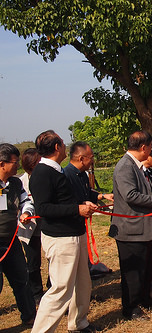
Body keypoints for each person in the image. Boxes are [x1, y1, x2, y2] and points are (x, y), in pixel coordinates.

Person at [29, 130, 97, 333]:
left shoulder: (56, 170)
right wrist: (77, 209)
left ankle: (78, 323)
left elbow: (63, 201)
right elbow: (44, 209)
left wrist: (81, 203)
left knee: (82, 283)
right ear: (57, 147)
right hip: (61, 238)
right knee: (60, 289)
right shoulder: (42, 173)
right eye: (63, 143)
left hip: (74, 234)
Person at [108, 131, 152, 320]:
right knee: (132, 272)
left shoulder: (137, 167)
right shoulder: (125, 167)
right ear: (144, 148)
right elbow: (131, 196)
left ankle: (145, 299)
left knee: (145, 268)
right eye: (151, 147)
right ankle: (131, 308)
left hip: (143, 228)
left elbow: (149, 192)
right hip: (130, 229)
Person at [63, 141, 114, 280]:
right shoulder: (65, 176)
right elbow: (68, 202)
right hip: (69, 229)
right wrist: (82, 204)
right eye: (91, 157)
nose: (93, 161)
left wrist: (102, 196)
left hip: (81, 227)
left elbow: (87, 193)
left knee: (82, 262)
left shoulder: (83, 175)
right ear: (81, 158)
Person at [0, 143, 36, 326]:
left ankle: (30, 316)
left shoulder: (15, 183)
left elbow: (26, 201)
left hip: (12, 240)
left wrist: (26, 213)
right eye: (15, 162)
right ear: (2, 164)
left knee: (21, 278)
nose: (18, 166)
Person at [17, 148, 43, 302]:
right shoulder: (21, 182)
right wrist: (24, 215)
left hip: (45, 225)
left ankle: (51, 285)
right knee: (33, 262)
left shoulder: (46, 178)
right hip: (29, 228)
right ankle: (36, 292)